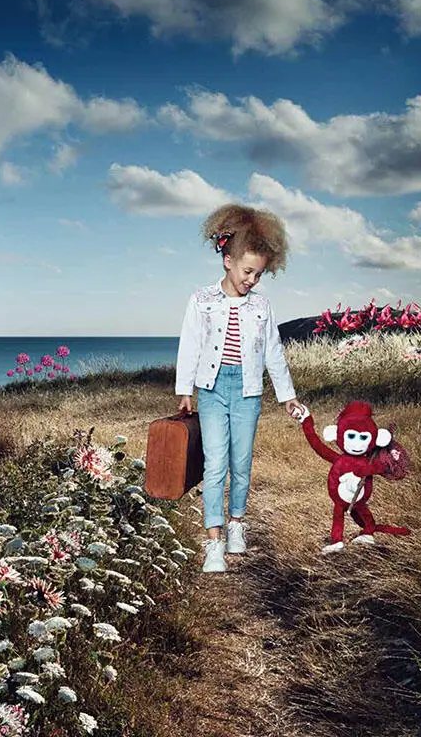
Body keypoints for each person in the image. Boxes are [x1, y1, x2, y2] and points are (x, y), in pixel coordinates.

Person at [174, 204, 303, 573]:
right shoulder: (201, 301)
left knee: (241, 464)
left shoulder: (261, 305)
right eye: (248, 271)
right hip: (212, 390)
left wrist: (288, 395)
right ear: (227, 260)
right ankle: (213, 544)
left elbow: (273, 352)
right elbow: (190, 345)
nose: (252, 280)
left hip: (248, 391)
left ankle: (236, 525)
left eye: (259, 274)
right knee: (215, 465)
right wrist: (185, 390)